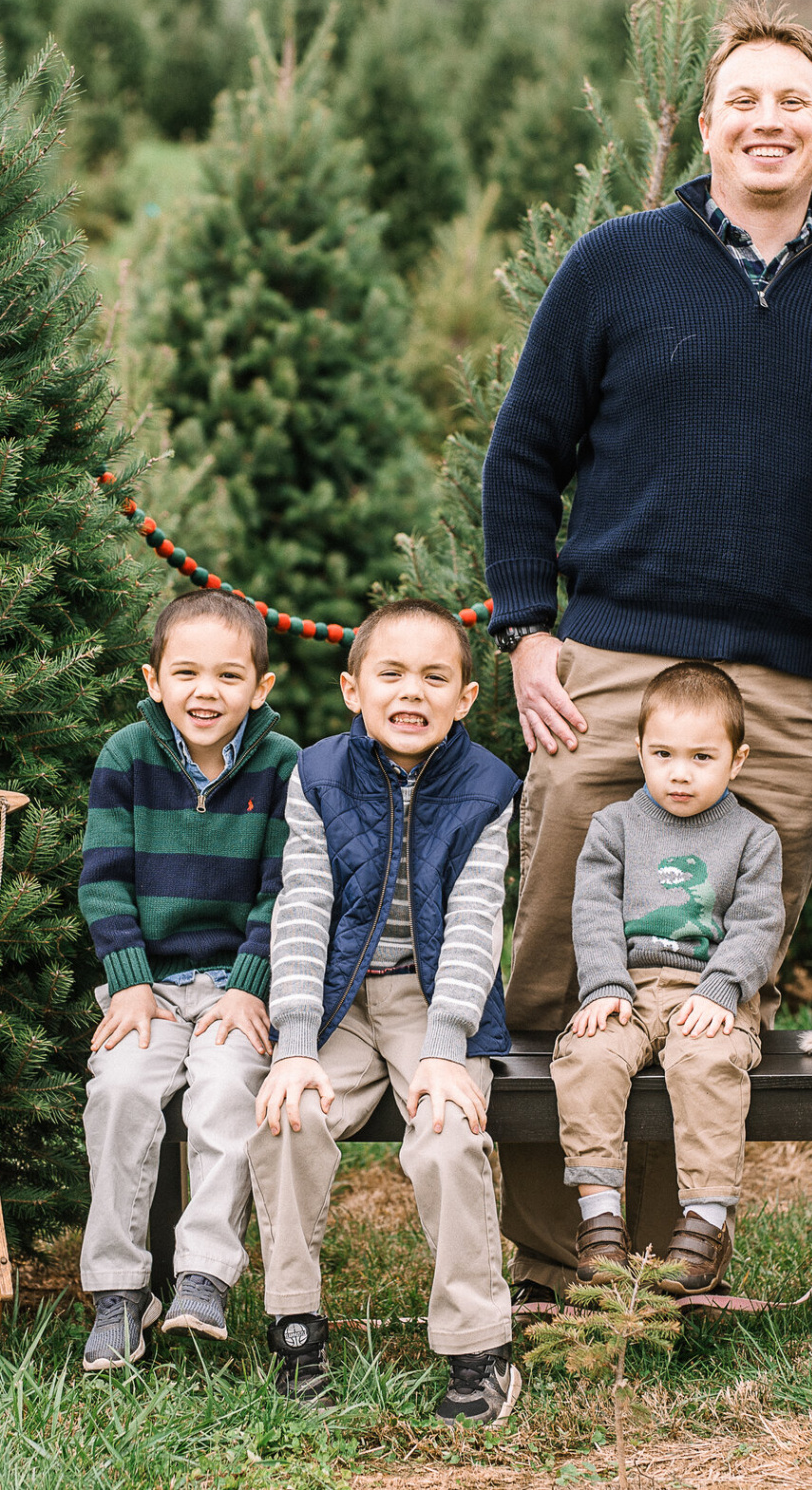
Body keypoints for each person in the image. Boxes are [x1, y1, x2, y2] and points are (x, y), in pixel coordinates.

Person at [479, 0, 812, 1309]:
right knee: (567, 958)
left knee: (717, 976)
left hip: (783, 685)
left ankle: (674, 1252)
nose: (765, 121)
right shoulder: (615, 264)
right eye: (742, 101)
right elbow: (521, 455)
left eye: (792, 103)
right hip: (609, 661)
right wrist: (525, 629)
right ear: (707, 125)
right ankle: (563, 1264)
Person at [248, 600, 523, 1426]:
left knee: (446, 1131)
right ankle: (296, 1324)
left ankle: (478, 1344)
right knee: (286, 1117)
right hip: (337, 997)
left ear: (466, 697)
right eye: (390, 673)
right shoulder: (318, 774)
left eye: (434, 676)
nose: (411, 692)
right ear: (351, 687)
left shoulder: (487, 786)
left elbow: (477, 920)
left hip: (434, 1001)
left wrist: (447, 1047)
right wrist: (295, 1042)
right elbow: (301, 905)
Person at [75, 590, 300, 1370]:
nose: (206, 691)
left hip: (236, 987)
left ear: (260, 688)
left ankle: (202, 1274)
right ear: (155, 677)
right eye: (187, 672)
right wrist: (129, 980)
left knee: (228, 1088)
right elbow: (103, 880)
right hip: (151, 988)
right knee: (120, 1092)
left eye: (228, 675)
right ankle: (118, 1292)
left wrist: (250, 983)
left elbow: (287, 888)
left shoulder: (282, 765)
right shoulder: (126, 754)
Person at [551, 662, 786, 1295]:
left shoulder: (753, 838)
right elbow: (594, 910)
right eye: (663, 754)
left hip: (709, 992)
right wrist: (602, 986)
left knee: (706, 1063)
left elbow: (759, 925)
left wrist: (723, 990)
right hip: (624, 986)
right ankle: (601, 1223)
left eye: (701, 757)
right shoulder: (616, 826)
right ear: (639, 752)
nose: (679, 772)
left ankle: (704, 1224)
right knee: (588, 1056)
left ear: (737, 761)